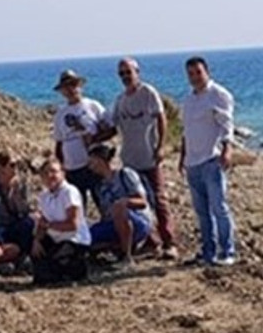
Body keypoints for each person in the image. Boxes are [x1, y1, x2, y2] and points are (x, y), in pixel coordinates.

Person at [110, 57, 178, 260]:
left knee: (159, 199)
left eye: (128, 72)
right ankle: (151, 241)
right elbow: (113, 127)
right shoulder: (120, 100)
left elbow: (161, 118)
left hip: (149, 158)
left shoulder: (148, 93)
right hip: (130, 161)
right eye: (121, 73)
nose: (125, 77)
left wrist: (160, 147)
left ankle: (170, 242)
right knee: (139, 202)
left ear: (137, 72)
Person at [178, 56, 237, 266]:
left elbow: (226, 125)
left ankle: (227, 251)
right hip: (192, 162)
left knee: (219, 207)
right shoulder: (188, 100)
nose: (195, 77)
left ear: (207, 71)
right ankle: (208, 252)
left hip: (211, 160)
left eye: (198, 72)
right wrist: (182, 157)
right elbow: (186, 131)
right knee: (202, 212)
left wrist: (227, 149)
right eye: (191, 74)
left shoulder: (219, 95)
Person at [51, 69, 111, 213]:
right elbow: (59, 143)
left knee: (103, 202)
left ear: (80, 86)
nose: (70, 89)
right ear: (62, 91)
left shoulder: (93, 106)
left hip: (93, 166)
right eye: (66, 87)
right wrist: (61, 166)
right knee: (78, 208)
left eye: (73, 85)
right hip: (72, 169)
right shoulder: (60, 114)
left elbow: (110, 129)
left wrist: (95, 138)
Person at [85, 143, 151, 268]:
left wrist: (124, 202)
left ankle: (127, 257)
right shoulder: (100, 186)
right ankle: (111, 250)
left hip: (136, 219)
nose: (90, 166)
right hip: (113, 222)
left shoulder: (125, 174)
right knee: (88, 234)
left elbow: (142, 202)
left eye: (92, 161)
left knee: (119, 209)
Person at [30, 159, 91, 284]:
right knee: (38, 258)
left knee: (56, 261)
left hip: (74, 239)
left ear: (62, 173)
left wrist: (48, 225)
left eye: (53, 171)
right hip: (55, 238)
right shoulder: (44, 196)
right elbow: (43, 220)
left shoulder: (69, 192)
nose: (50, 176)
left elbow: (72, 225)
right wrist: (37, 240)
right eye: (45, 173)